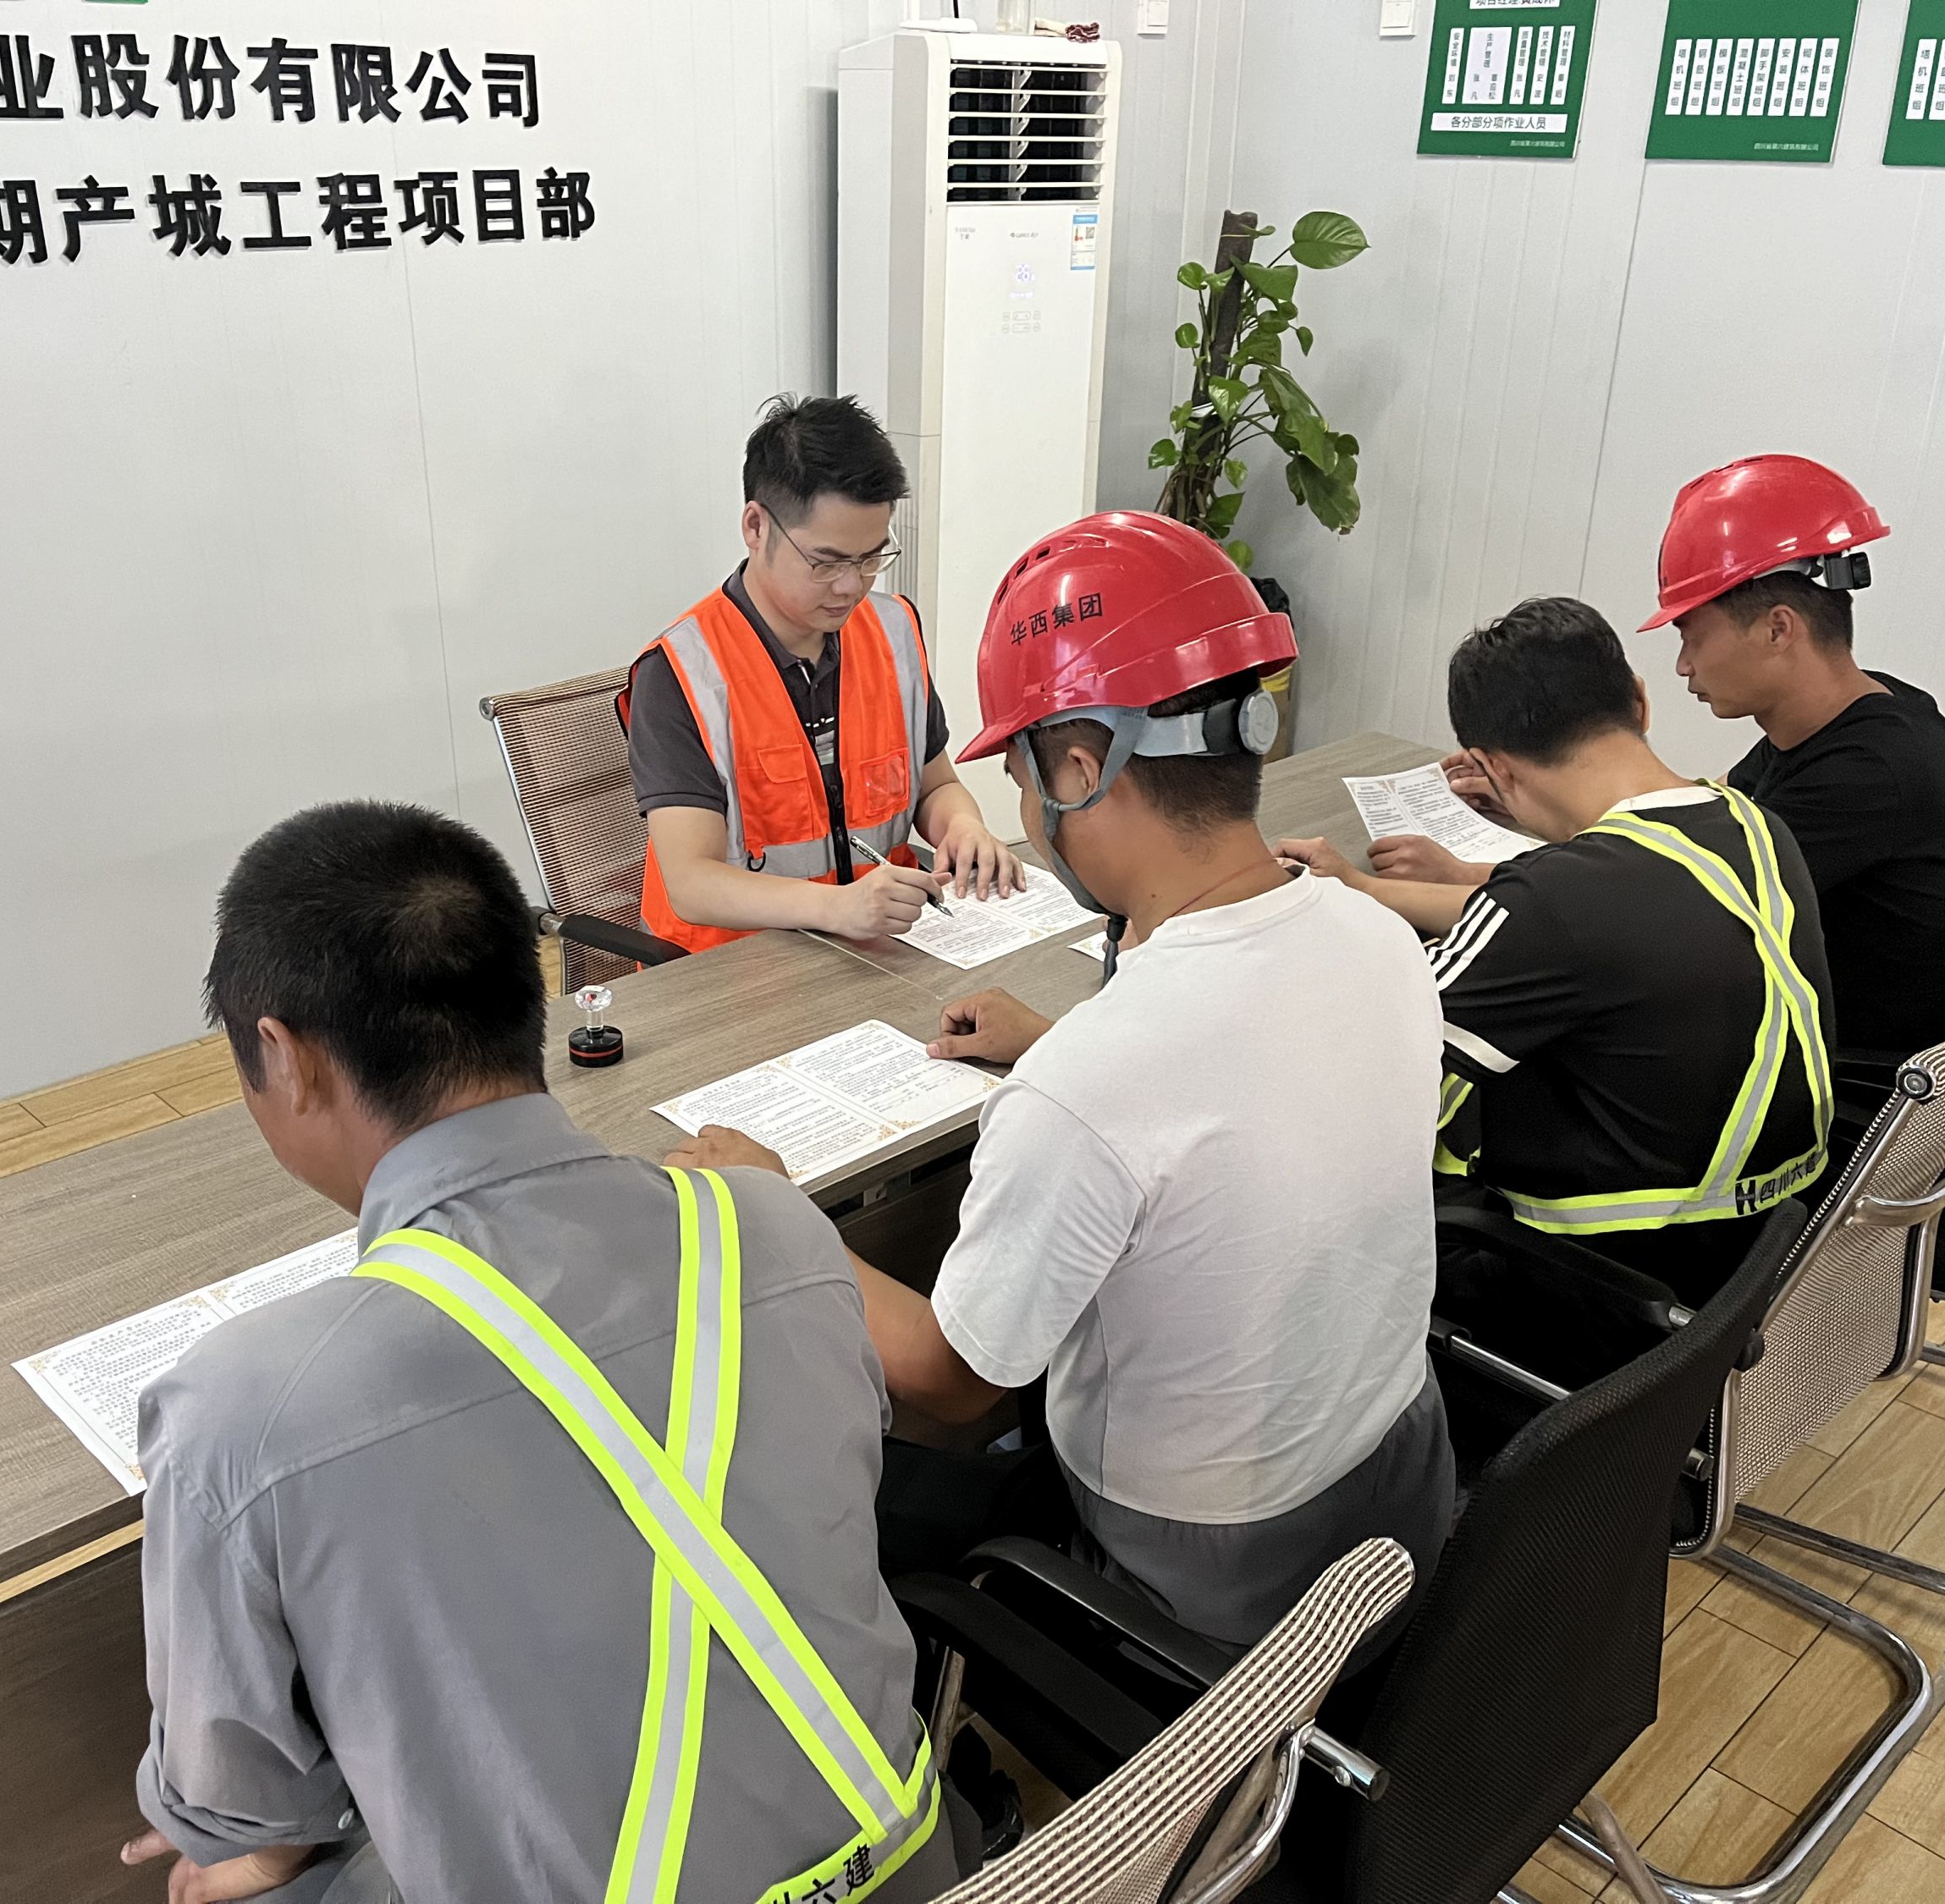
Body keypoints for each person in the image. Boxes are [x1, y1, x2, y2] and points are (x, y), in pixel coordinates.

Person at [119, 802, 961, 1904]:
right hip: (913, 1864)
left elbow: (235, 1804)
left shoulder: (239, 1414)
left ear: (284, 1055)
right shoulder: (776, 1229)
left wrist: (264, 1849)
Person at [675, 512, 1455, 1651]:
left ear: (1083, 770)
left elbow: (955, 1382)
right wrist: (1055, 1044)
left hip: (1205, 1582)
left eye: (1026, 780)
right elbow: (1231, 1091)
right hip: (1399, 1493)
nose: (1032, 821)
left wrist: (768, 1207)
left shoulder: (1093, 1086)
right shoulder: (1378, 937)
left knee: (794, 1473)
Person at [1280, 597, 1834, 1302]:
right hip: (1752, 1259)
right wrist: (1371, 889)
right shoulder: (1754, 826)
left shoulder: (1553, 901)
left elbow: (1360, 1060)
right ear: (1640, 702)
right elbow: (1608, 910)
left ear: (1494, 767)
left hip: (1596, 1285)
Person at [1370, 456, 1945, 1067]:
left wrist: (1386, 888)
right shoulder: (1858, 719)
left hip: (1833, 1084)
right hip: (1779, 1034)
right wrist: (1533, 800)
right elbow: (1681, 825)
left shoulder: (1870, 775)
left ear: (1778, 630)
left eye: (1691, 634)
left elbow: (1636, 899)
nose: (1683, 665)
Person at [622, 394, 1022, 951]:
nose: (851, 586)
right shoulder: (682, 674)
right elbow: (692, 883)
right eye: (826, 561)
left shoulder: (893, 631)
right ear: (756, 526)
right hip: (732, 967)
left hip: (876, 948)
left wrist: (962, 827)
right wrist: (839, 907)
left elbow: (936, 786)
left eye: (871, 557)